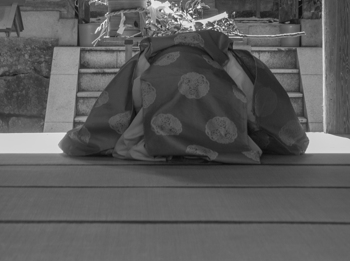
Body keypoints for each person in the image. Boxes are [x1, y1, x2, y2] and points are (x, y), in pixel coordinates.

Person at [60, 30, 309, 163]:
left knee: (151, 99)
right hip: (217, 96)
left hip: (156, 89)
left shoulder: (148, 55)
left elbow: (127, 96)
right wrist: (255, 127)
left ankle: (158, 145)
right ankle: (219, 146)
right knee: (227, 102)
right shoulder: (232, 59)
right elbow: (254, 108)